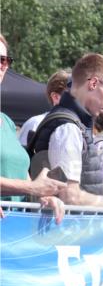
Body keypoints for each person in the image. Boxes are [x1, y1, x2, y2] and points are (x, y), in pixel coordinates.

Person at [25, 53, 103, 211]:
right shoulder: (68, 129)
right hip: (62, 230)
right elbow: (70, 196)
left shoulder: (73, 124)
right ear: (94, 83)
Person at [0, 35, 65, 220]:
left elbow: (18, 171)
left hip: (15, 231)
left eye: (6, 60)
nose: (3, 65)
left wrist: (42, 196)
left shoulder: (7, 122)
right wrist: (33, 187)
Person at [18, 68, 71, 147]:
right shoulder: (35, 123)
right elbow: (22, 158)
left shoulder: (81, 127)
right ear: (56, 97)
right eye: (72, 94)